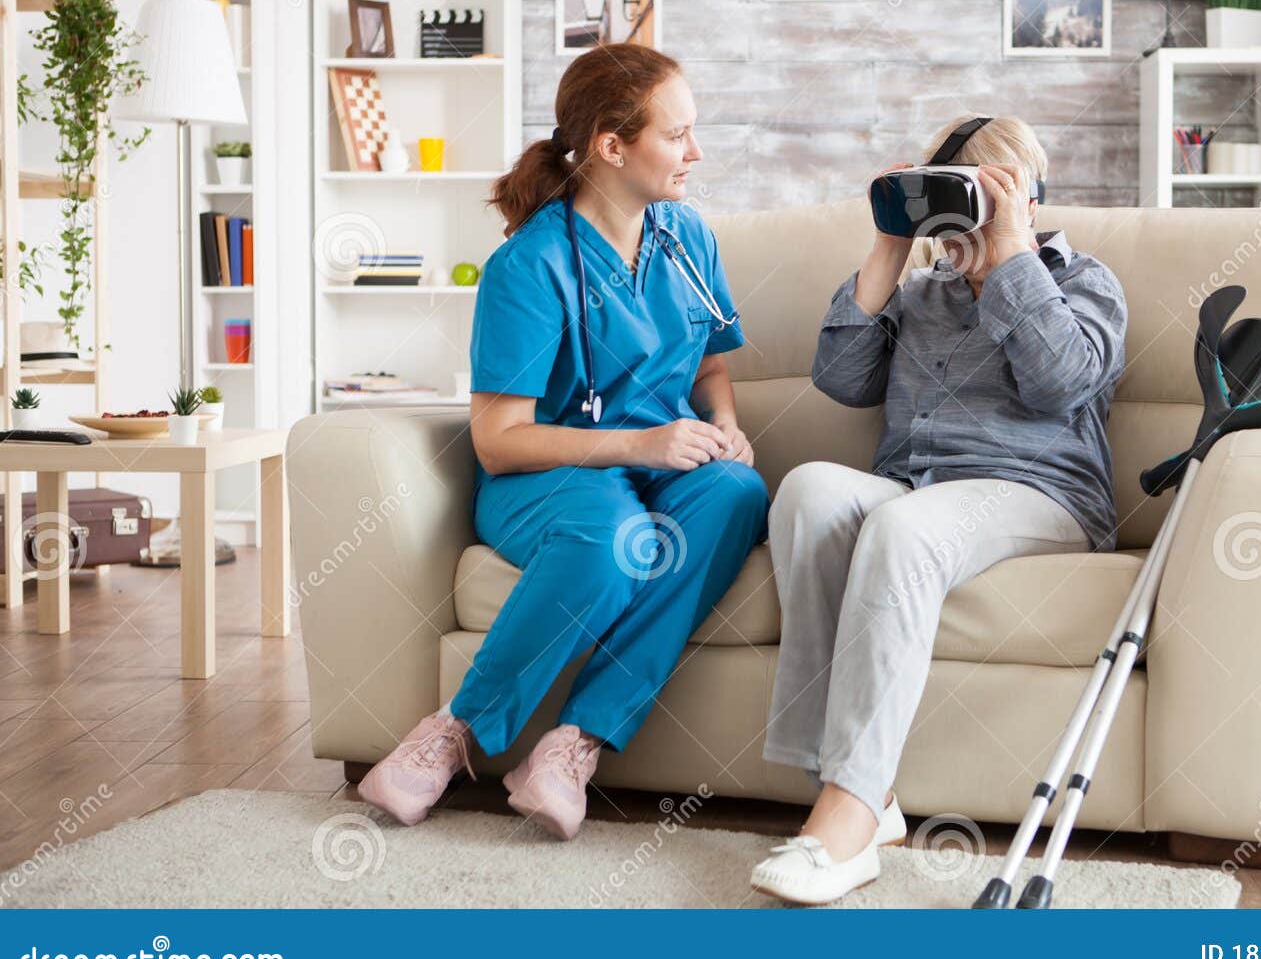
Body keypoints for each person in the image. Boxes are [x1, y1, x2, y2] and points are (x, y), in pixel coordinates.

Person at [359, 44, 769, 840]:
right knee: (612, 538)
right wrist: (639, 447)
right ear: (613, 146)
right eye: (677, 134)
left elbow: (711, 363)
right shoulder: (529, 265)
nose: (696, 151)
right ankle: (450, 734)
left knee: (735, 492)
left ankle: (572, 743)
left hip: (661, 463)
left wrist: (725, 422)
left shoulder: (687, 238)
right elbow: (497, 441)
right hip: (548, 478)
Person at [751, 115, 1128, 904]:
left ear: (1025, 195)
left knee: (901, 527)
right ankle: (864, 795)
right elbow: (840, 377)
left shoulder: (1083, 281)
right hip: (918, 486)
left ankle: (846, 823)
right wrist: (892, 242)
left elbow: (1060, 382)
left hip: (1040, 492)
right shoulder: (922, 290)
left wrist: (1011, 251)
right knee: (809, 491)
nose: (958, 222)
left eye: (974, 196)